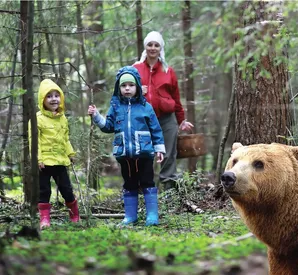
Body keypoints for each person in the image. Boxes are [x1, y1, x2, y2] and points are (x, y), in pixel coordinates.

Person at [87, 66, 165, 226]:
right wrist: (96, 116)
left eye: (131, 85)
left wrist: (159, 149)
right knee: (129, 183)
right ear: (119, 88)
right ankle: (130, 216)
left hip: (144, 154)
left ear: (137, 86)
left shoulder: (146, 107)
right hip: (124, 155)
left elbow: (156, 129)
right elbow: (108, 126)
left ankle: (152, 215)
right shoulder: (115, 107)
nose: (127, 88)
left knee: (147, 182)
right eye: (123, 85)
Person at [133, 31, 194, 190]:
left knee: (168, 155)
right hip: (143, 119)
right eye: (150, 45)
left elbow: (176, 97)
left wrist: (181, 120)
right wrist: (139, 91)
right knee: (144, 154)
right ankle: (143, 190)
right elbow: (124, 92)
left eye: (156, 45)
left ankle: (169, 192)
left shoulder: (168, 71)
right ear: (145, 47)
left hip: (166, 119)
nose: (153, 48)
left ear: (161, 48)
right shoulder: (135, 69)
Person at [29, 79, 80, 229]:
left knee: (66, 189)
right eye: (49, 96)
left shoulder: (62, 118)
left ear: (61, 98)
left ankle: (74, 214)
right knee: (44, 191)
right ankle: (44, 219)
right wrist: (38, 159)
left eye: (56, 95)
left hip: (60, 161)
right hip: (44, 162)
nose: (53, 99)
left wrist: (70, 153)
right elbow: (34, 141)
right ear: (42, 99)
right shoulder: (37, 119)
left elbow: (65, 138)